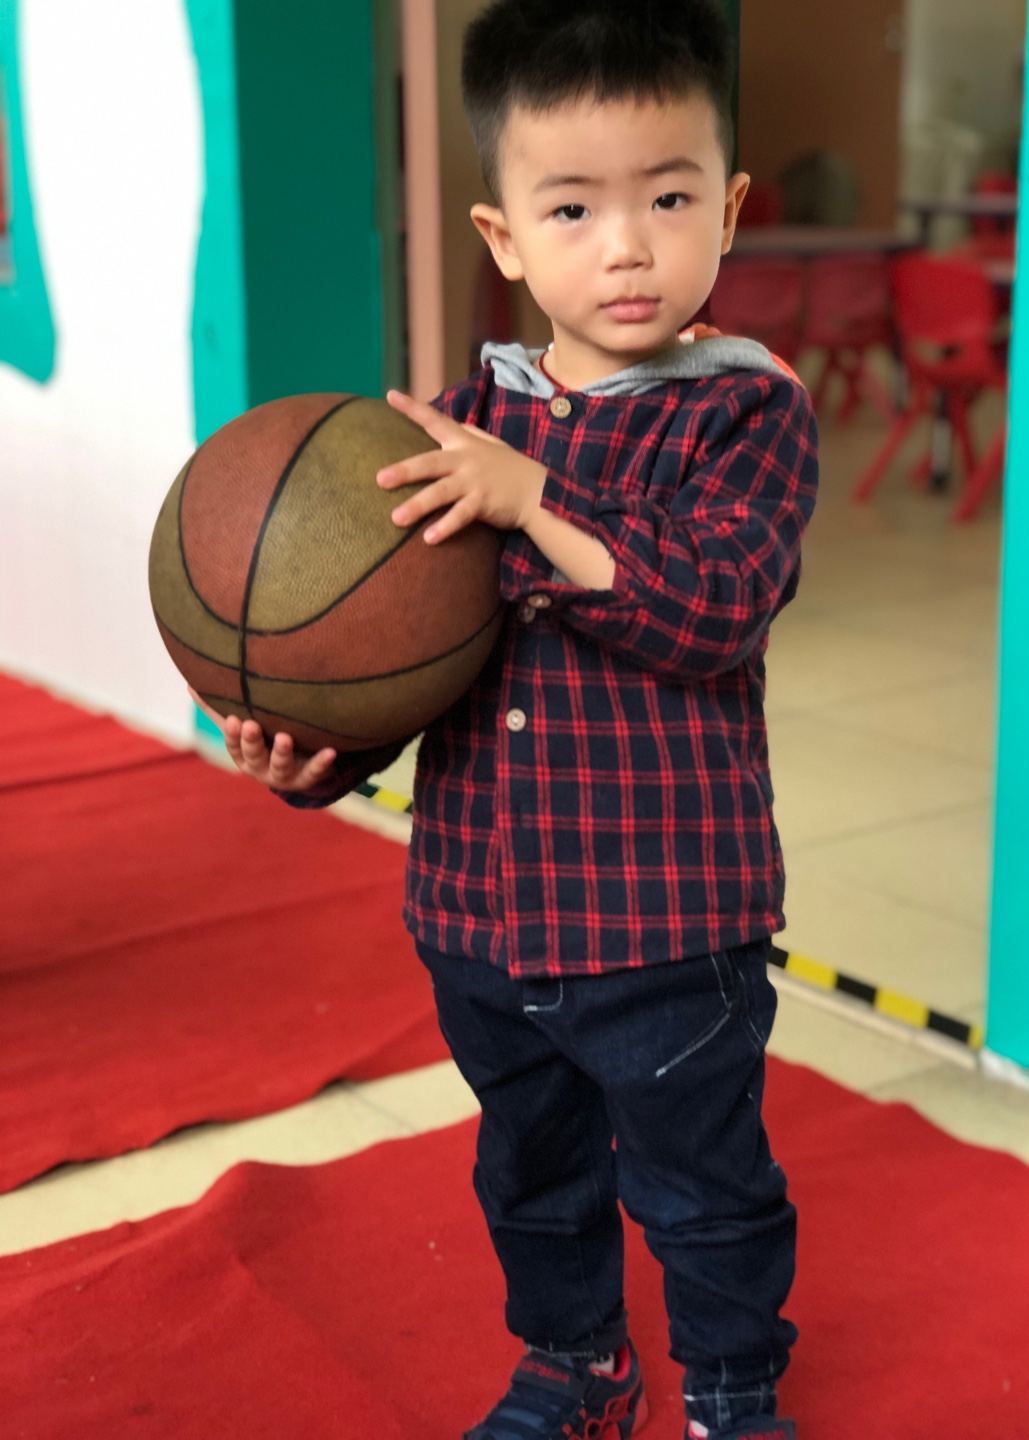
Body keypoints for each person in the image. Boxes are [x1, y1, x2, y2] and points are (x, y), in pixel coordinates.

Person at [192, 2, 818, 1436]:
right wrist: (313, 756)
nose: (627, 247)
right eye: (574, 208)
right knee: (531, 1176)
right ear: (505, 239)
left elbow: (714, 608)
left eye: (670, 200)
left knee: (705, 1189)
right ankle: (576, 1369)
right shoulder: (449, 427)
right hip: (480, 915)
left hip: (668, 925)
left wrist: (532, 498)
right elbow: (409, 659)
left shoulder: (745, 415)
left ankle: (733, 1395)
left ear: (729, 210)